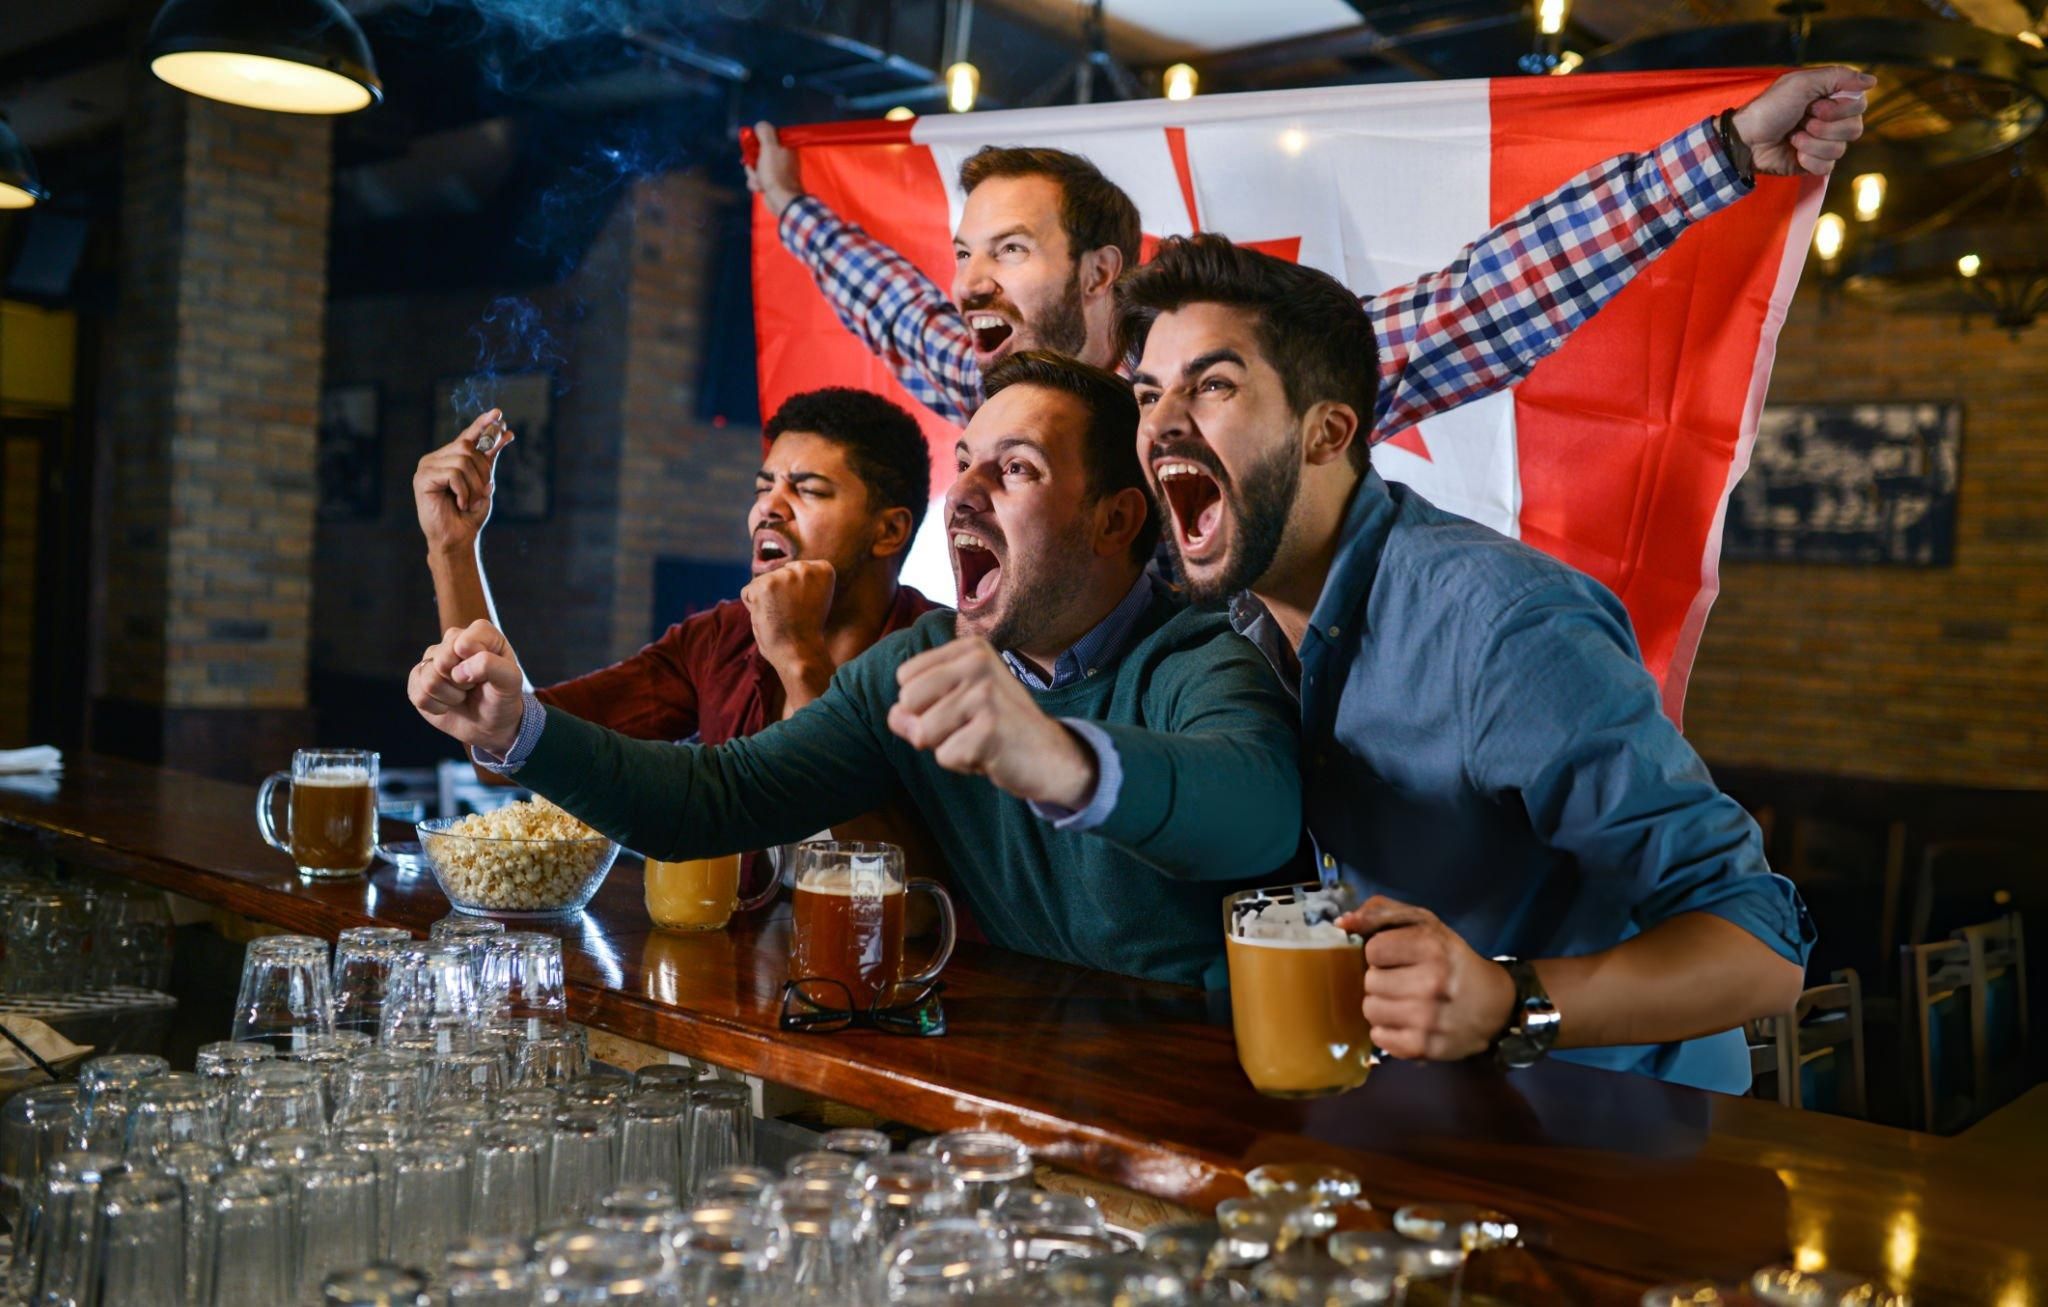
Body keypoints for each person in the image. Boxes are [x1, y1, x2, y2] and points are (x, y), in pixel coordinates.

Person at [1118, 233, 1811, 1092]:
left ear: (1328, 431)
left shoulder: (1500, 626)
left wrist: (1509, 999)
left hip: (1629, 1139)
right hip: (1436, 1124)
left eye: (1212, 384)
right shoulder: (1239, 617)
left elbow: (1761, 947)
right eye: (1148, 394)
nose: (1160, 423)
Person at [408, 352, 1302, 990]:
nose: (972, 493)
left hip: (1203, 1100)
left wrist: (1058, 755)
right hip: (1014, 1079)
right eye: (967, 466)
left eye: (1017, 469)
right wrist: (515, 727)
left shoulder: (1200, 655)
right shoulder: (921, 662)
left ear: (1114, 521)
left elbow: (1258, 815)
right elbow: (713, 797)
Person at [747, 68, 1871, 438]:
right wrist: (791, 205)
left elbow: (1471, 307)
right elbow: (889, 305)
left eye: (1005, 248)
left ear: (1097, 274)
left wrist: (1721, 156)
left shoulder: (1224, 388)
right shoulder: (986, 376)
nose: (966, 281)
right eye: (961, 252)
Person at [411, 387, 944, 870]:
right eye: (764, 487)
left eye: (808, 491)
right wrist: (453, 547)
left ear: (889, 529)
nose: (767, 509)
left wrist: (799, 657)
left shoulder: (944, 658)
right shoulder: (720, 638)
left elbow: (911, 901)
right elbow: (510, 744)